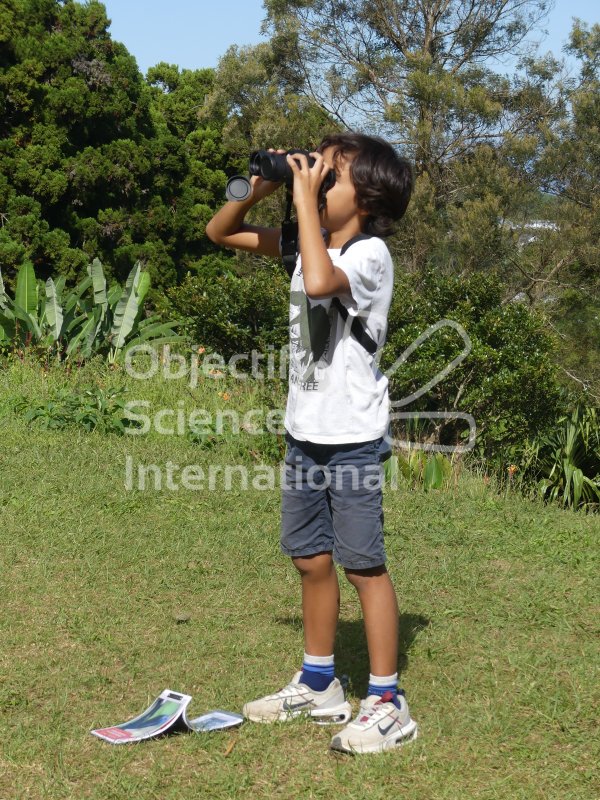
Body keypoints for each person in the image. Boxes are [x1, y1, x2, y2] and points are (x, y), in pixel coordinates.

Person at [206, 132, 416, 754]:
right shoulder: (308, 244)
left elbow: (323, 282)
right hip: (306, 434)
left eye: (333, 175)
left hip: (352, 439)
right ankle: (320, 682)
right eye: (318, 172)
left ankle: (386, 699)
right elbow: (220, 233)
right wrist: (255, 192)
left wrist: (302, 196)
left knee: (362, 565)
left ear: (368, 197)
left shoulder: (371, 254)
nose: (320, 180)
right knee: (310, 559)